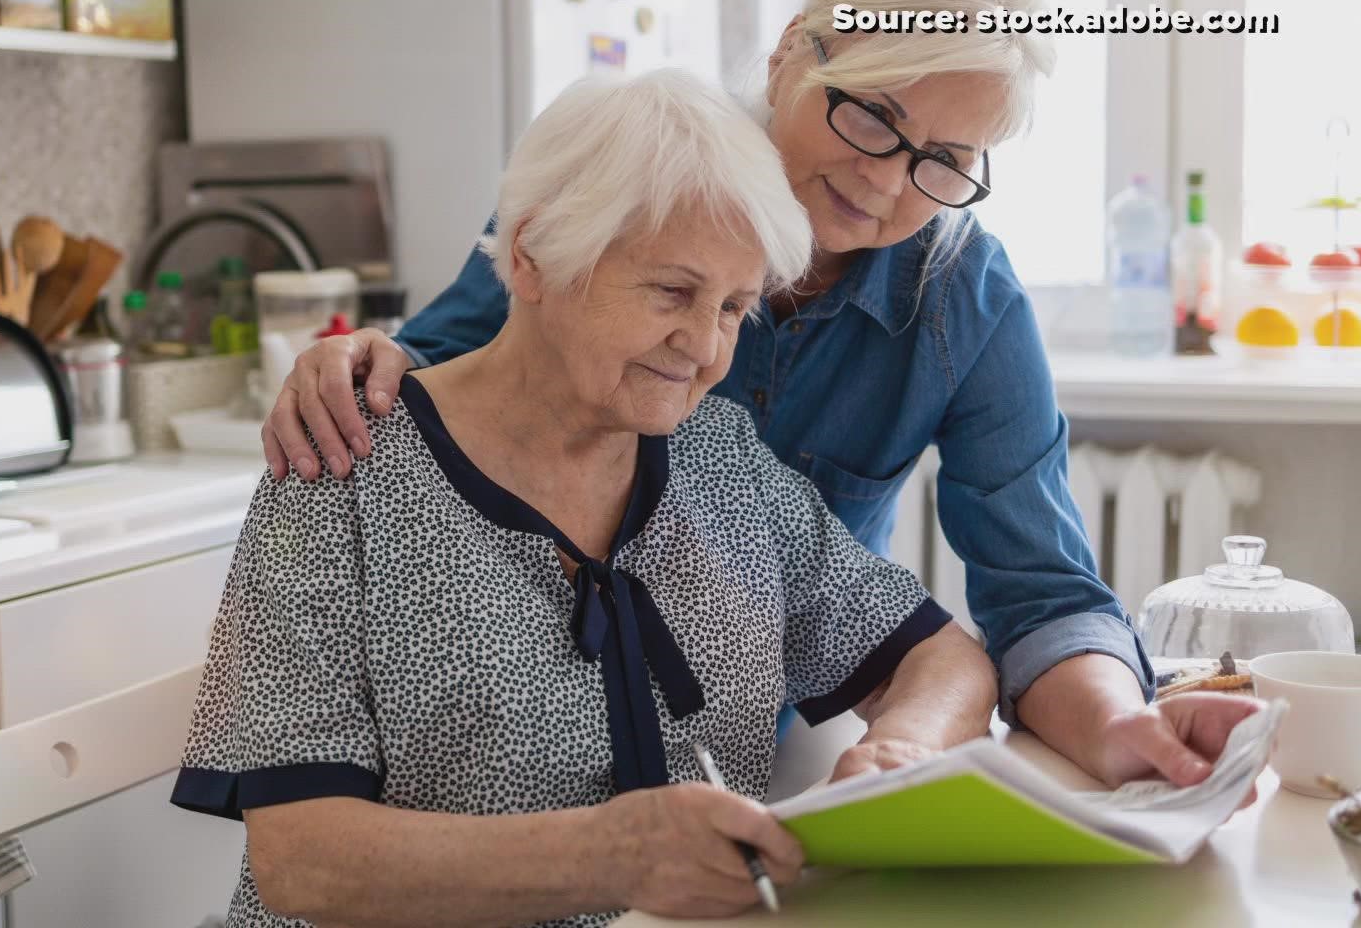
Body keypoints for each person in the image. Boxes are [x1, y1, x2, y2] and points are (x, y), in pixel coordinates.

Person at [259, 0, 1264, 790]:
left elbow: (1041, 595)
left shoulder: (965, 300)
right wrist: (354, 362)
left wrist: (1121, 723)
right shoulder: (625, 182)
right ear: (792, 51)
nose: (882, 180)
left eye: (943, 158)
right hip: (507, 747)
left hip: (749, 749)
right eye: (871, 115)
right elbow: (436, 381)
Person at [174, 69, 998, 925]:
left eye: (734, 307)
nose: (703, 347)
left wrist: (901, 751)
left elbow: (943, 660)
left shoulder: (722, 462)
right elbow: (301, 860)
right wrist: (613, 857)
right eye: (673, 292)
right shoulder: (342, 469)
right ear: (532, 255)